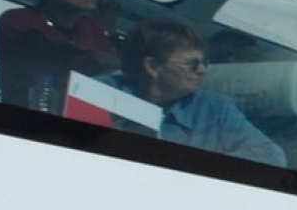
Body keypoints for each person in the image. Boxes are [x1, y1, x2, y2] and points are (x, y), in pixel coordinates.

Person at [109, 20, 286, 167]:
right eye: (192, 64)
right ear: (153, 67)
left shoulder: (214, 107)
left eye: (204, 63)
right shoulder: (101, 94)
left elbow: (272, 156)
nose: (202, 70)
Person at [0, 0, 121, 107]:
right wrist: (95, 59)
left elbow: (115, 69)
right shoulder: (18, 21)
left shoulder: (91, 27)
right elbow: (52, 63)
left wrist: (111, 33)